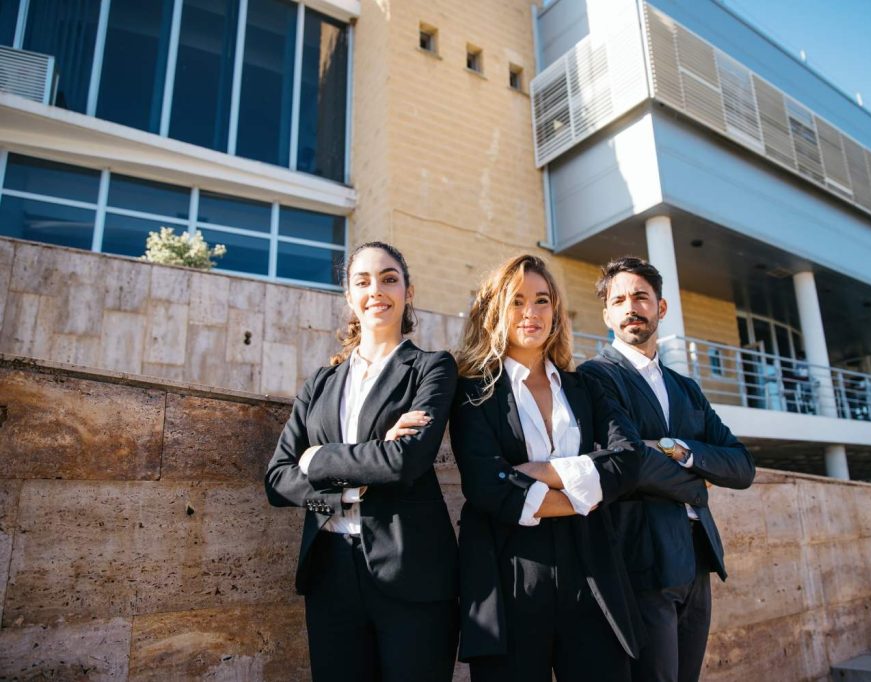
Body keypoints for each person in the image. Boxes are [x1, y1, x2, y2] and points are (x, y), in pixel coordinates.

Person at [450, 254, 707, 682]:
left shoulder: (582, 385)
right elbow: (487, 487)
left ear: (556, 311)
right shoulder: (474, 391)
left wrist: (541, 471)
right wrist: (586, 495)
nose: (531, 313)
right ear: (494, 309)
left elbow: (625, 459)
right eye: (516, 301)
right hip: (509, 571)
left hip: (593, 573)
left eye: (542, 300)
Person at [265, 241, 458, 682]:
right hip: (329, 572)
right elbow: (277, 480)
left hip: (412, 571)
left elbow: (405, 461)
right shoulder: (320, 382)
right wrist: (350, 485)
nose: (377, 290)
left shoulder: (432, 368)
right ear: (349, 296)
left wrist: (316, 459)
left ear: (409, 292)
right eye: (363, 281)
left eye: (390, 279)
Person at [579, 256, 755, 682]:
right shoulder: (596, 375)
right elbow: (632, 463)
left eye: (640, 296)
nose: (629, 307)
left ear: (661, 307)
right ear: (606, 314)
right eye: (618, 300)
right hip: (644, 555)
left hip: (698, 558)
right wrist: (698, 486)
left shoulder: (686, 388)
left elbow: (742, 466)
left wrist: (679, 449)